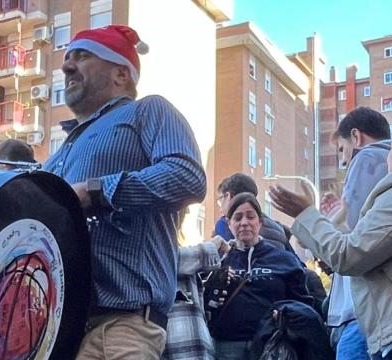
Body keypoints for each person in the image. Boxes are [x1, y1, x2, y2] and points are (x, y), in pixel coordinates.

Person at [43, 25, 207, 359]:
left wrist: (96, 192)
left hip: (119, 329)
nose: (67, 66)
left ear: (121, 73)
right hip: (55, 332)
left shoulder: (148, 110)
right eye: (67, 57)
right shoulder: (58, 155)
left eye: (82, 56)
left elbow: (186, 175)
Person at [269, 119, 392, 360]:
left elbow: (350, 255)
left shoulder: (373, 166)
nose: (344, 161)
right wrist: (335, 222)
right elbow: (370, 246)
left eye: (342, 150)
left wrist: (306, 214)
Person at [206, 193, 312, 360]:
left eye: (250, 216)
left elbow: (303, 305)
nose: (244, 223)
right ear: (229, 224)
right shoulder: (217, 261)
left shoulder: (284, 260)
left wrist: (286, 317)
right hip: (226, 348)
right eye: (238, 218)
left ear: (260, 221)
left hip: (271, 346)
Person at [323, 107, 391, 359]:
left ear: (356, 137)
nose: (342, 160)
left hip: (362, 314)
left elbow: (354, 240)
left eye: (341, 149)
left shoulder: (367, 156)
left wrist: (326, 222)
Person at [163, 235, 231, 360]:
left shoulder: (172, 247)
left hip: (193, 348)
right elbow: (167, 260)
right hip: (180, 349)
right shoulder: (157, 248)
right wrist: (211, 247)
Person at [214, 173, 293, 252]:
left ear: (228, 196)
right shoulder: (279, 229)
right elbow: (298, 262)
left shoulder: (224, 223)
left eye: (220, 200)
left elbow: (226, 258)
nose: (220, 209)